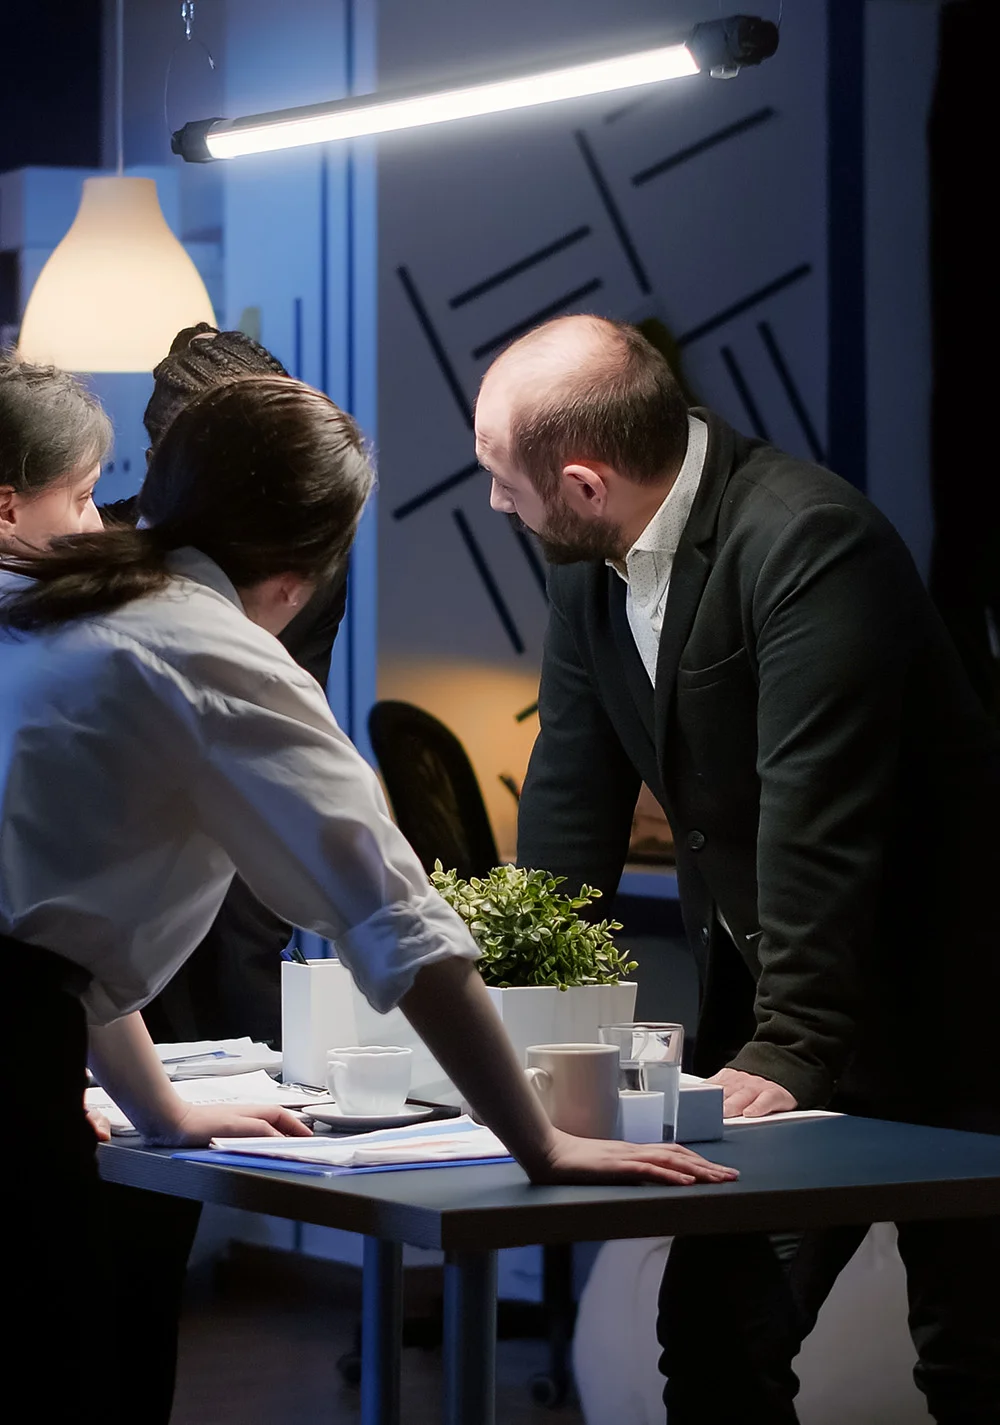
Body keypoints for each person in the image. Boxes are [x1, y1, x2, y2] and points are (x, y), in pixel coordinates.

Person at [0, 368, 735, 1422]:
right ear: (302, 576)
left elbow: (54, 905)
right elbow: (399, 923)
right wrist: (539, 1139)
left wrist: (160, 1110)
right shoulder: (214, 652)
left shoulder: (50, 601)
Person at [474, 313, 1000, 1425]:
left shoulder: (809, 542)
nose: (494, 504)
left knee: (974, 1354)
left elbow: (818, 812)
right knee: (716, 1338)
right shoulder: (586, 564)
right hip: (789, 1007)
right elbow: (570, 789)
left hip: (949, 1016)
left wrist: (792, 1044)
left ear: (583, 482)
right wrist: (514, 1011)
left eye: (505, 482)